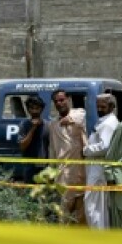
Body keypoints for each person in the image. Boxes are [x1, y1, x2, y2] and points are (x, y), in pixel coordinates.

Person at [47, 89, 88, 224]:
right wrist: (51, 170)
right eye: (56, 101)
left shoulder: (79, 113)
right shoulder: (53, 124)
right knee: (65, 209)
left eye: (62, 100)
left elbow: (80, 118)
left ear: (68, 99)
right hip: (64, 172)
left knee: (82, 209)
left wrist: (69, 119)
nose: (59, 103)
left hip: (81, 170)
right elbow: (52, 149)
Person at [83, 93, 120, 229]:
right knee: (98, 205)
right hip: (95, 166)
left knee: (93, 205)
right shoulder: (105, 121)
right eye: (98, 106)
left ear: (111, 107)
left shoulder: (108, 124)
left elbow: (105, 146)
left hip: (99, 167)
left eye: (103, 107)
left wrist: (86, 150)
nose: (99, 109)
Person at [16, 95, 48, 182]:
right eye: (31, 108)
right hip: (29, 168)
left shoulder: (48, 125)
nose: (34, 111)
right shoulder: (24, 125)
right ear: (28, 109)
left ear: (42, 109)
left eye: (37, 108)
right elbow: (22, 146)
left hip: (45, 168)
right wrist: (33, 128)